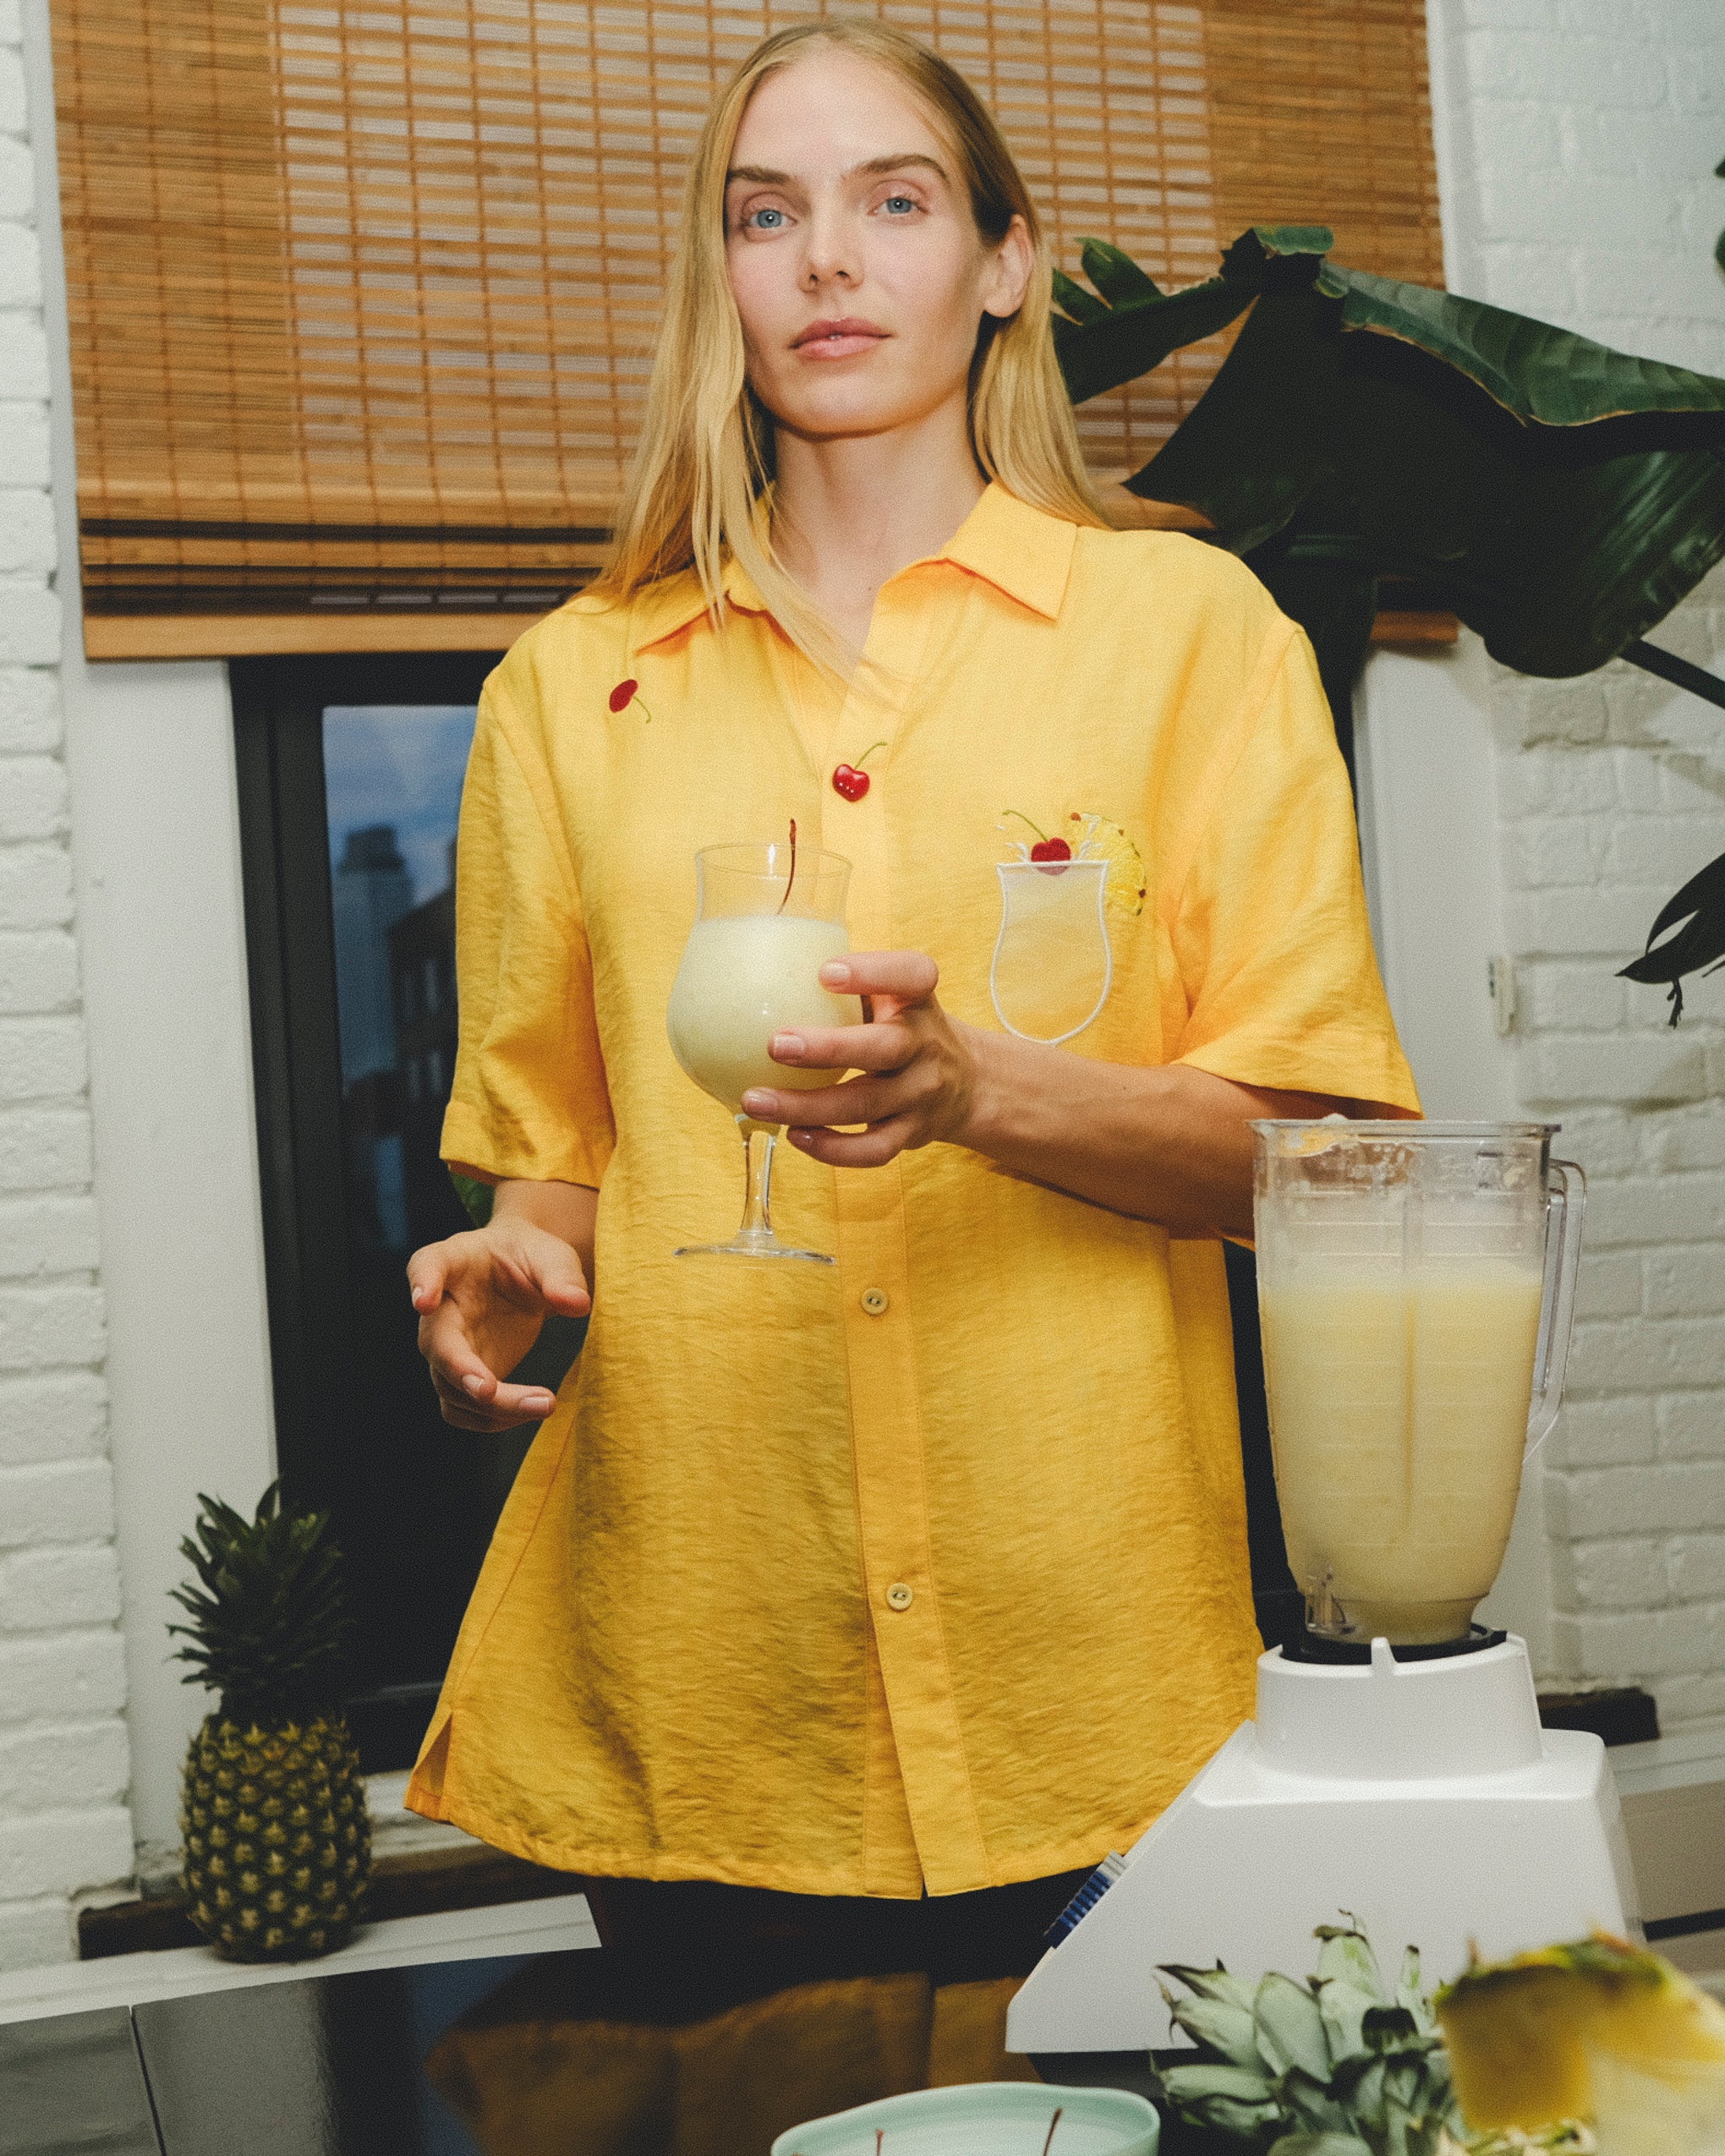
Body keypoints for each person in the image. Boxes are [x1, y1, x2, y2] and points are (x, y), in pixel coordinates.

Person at [402, 18, 1419, 1960]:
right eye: (765, 213)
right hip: (703, 1705)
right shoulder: (568, 693)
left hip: (1099, 1702)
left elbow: (1323, 1159)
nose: (828, 260)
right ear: (724, 278)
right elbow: (555, 1162)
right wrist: (517, 1262)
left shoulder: (1191, 637)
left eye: (897, 200)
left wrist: (984, 1094)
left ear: (1007, 260)